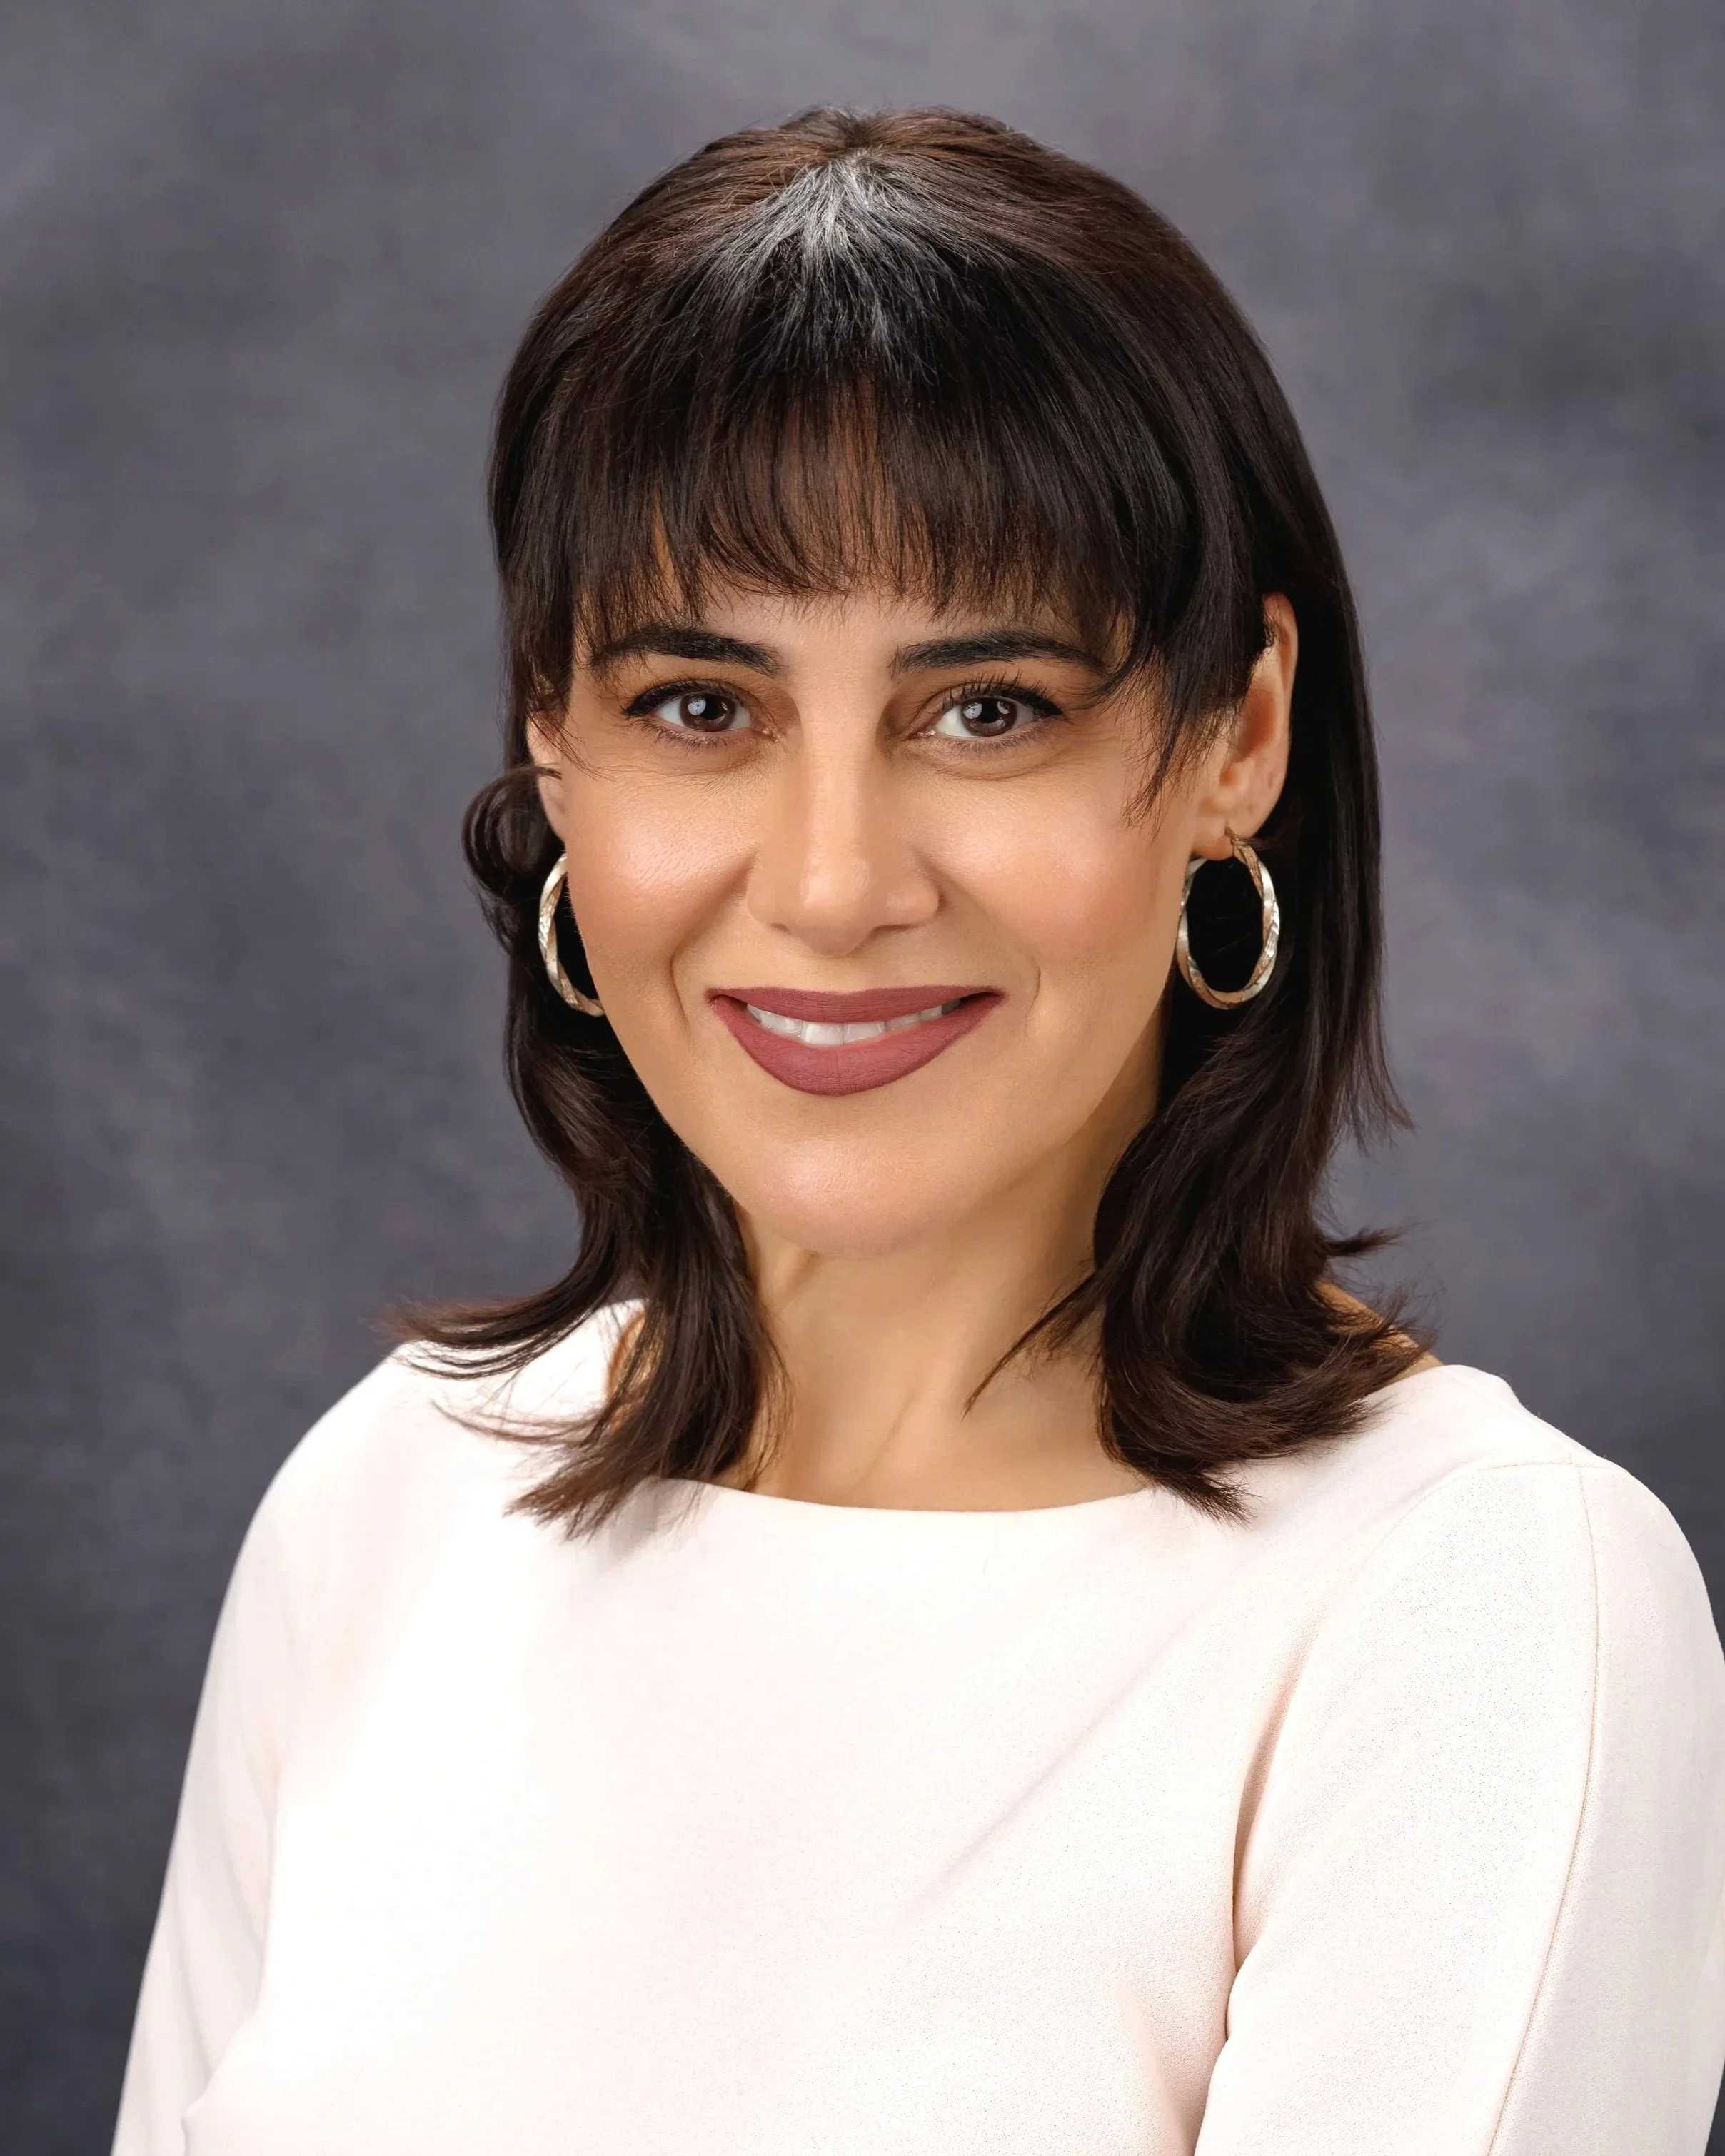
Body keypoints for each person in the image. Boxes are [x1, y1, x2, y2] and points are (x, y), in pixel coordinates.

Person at [112, 108, 1725, 2155]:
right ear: (551, 737)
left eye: (988, 709)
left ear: (1237, 737)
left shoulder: (1482, 1608)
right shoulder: (393, 1500)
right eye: (705, 705)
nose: (837, 878)